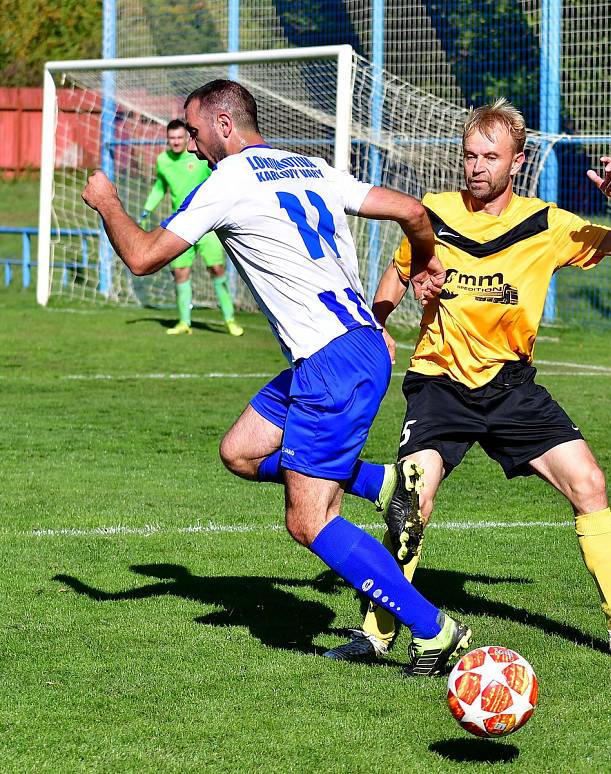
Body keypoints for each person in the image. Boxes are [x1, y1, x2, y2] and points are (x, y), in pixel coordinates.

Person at [82, 79, 471, 677]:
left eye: (195, 130)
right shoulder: (309, 167)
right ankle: (388, 486)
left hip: (330, 362)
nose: (191, 144)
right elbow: (416, 211)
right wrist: (424, 260)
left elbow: (142, 257)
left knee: (309, 519)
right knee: (240, 451)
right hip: (354, 345)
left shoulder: (229, 180)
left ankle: (434, 630)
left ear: (224, 124)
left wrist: (108, 200)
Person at [323, 98, 611, 661]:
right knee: (412, 500)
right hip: (440, 381)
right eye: (469, 155)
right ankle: (375, 636)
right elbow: (401, 270)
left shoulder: (545, 223)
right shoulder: (434, 212)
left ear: (516, 161)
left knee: (588, 482)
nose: (475, 167)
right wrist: (376, 323)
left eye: (489, 157)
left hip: (512, 386)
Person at [140, 118, 244, 336]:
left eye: (180, 137)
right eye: (172, 138)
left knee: (217, 269)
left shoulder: (199, 157)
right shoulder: (163, 161)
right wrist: (146, 209)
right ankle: (184, 322)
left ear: (186, 138)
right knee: (180, 272)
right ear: (167, 140)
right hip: (181, 225)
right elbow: (160, 187)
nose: (176, 142)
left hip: (208, 224)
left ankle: (229, 320)